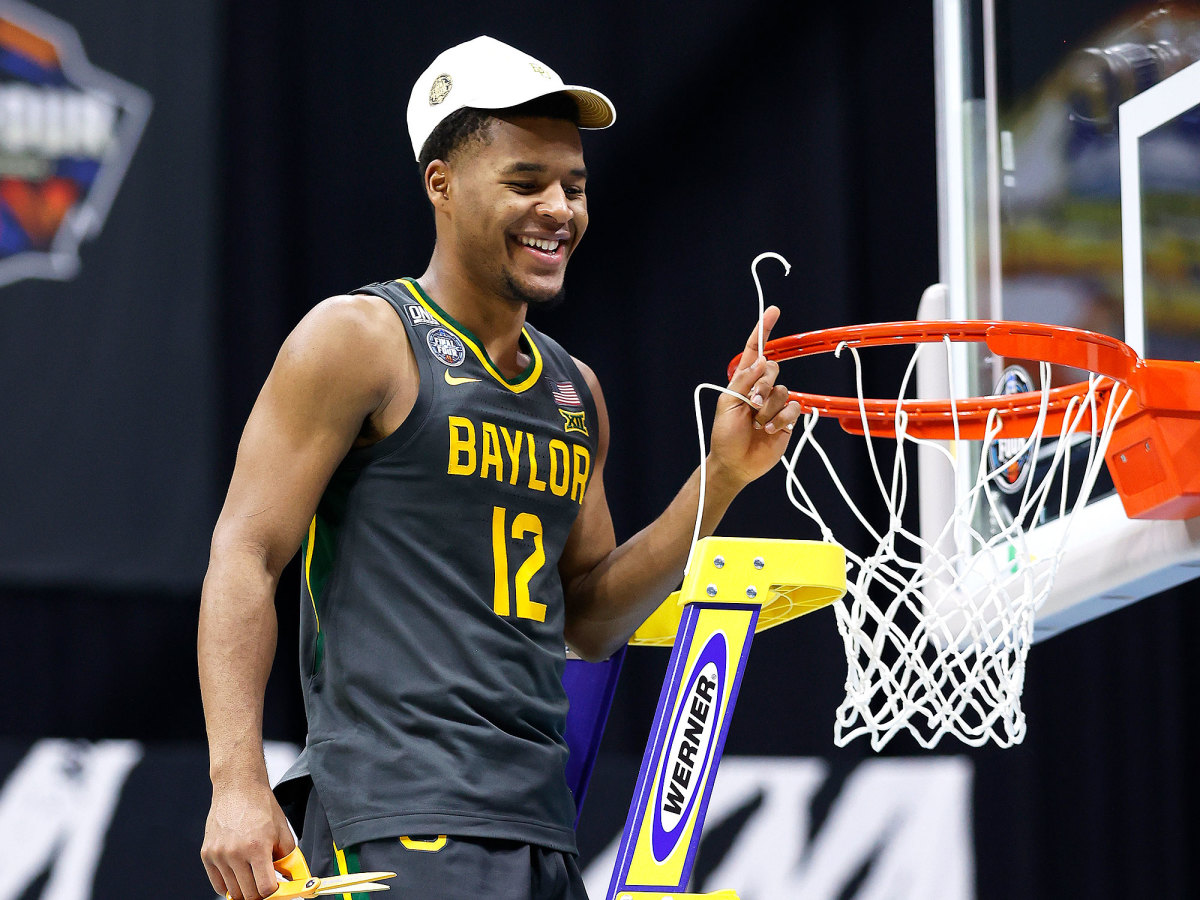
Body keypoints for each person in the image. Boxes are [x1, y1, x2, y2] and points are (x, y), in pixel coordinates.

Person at [199, 35, 802, 900]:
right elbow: (244, 557)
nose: (559, 208)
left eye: (576, 186)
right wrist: (236, 782)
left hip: (539, 831)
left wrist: (721, 478)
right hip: (393, 816)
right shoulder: (361, 339)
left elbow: (589, 619)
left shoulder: (572, 388)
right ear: (441, 185)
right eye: (526, 183)